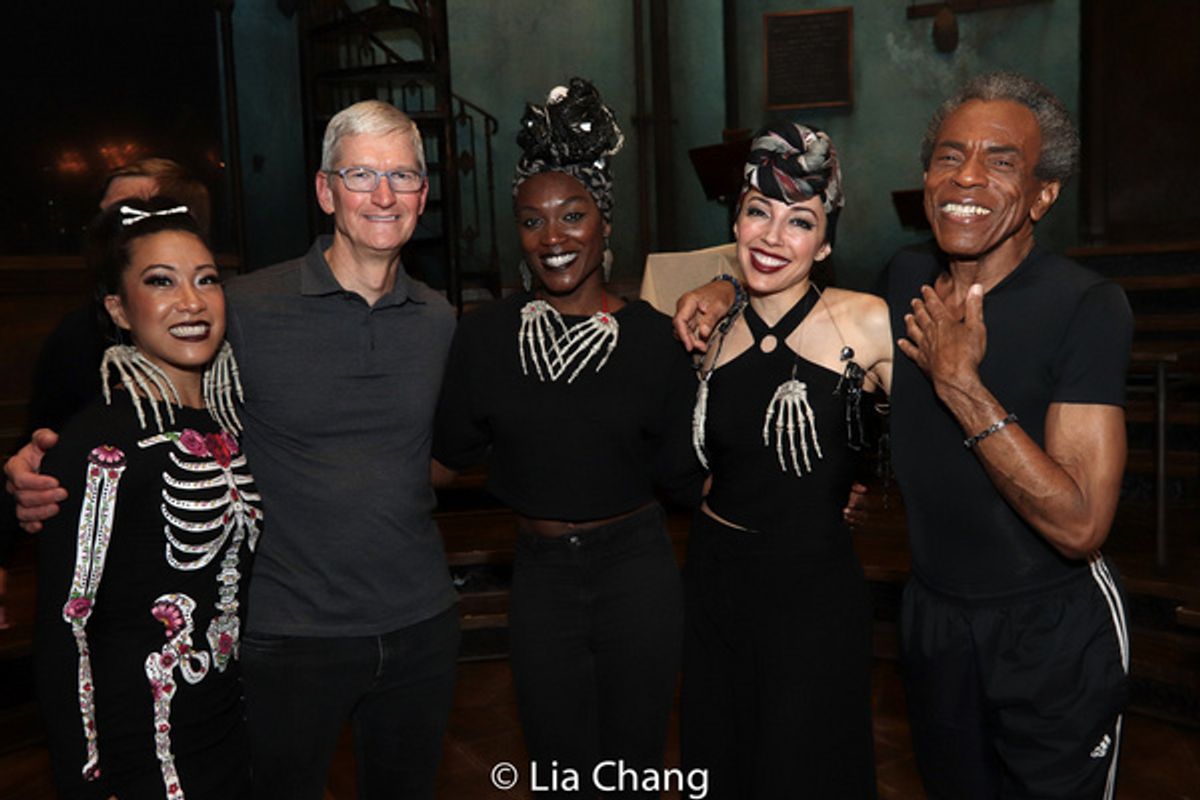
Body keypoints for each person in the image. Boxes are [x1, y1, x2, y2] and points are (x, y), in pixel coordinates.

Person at [675, 72, 1132, 800]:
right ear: (926, 179)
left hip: (1047, 622)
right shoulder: (905, 277)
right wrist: (728, 285)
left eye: (1000, 161)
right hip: (932, 618)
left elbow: (1080, 526)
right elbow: (805, 300)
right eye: (950, 155)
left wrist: (960, 382)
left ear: (1044, 194)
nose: (967, 176)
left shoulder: (1086, 306)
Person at [8, 101, 460, 800]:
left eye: (401, 176)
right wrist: (35, 465)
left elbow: (443, 446)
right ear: (325, 191)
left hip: (420, 627)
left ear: (423, 195)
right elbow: (124, 388)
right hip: (287, 636)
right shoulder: (240, 306)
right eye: (361, 174)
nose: (383, 195)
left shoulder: (438, 318)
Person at [433, 79, 702, 797]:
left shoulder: (656, 340)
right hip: (542, 577)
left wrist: (814, 492)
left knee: (634, 764)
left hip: (636, 573)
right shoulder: (485, 338)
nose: (553, 239)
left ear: (604, 223)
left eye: (573, 215)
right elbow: (442, 459)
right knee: (558, 769)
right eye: (532, 222)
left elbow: (690, 474)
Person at [679, 122, 892, 798]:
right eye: (758, 212)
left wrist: (865, 477)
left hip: (812, 589)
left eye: (799, 221)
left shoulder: (866, 322)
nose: (773, 237)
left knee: (806, 769)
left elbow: (934, 434)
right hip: (715, 579)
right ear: (735, 222)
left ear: (824, 243)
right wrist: (722, 286)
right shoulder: (708, 330)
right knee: (722, 761)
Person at [35, 197, 256, 799]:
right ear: (118, 308)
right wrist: (86, 778)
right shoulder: (97, 444)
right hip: (143, 746)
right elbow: (66, 630)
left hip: (239, 726)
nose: (191, 302)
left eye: (206, 280)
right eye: (161, 281)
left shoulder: (243, 425)